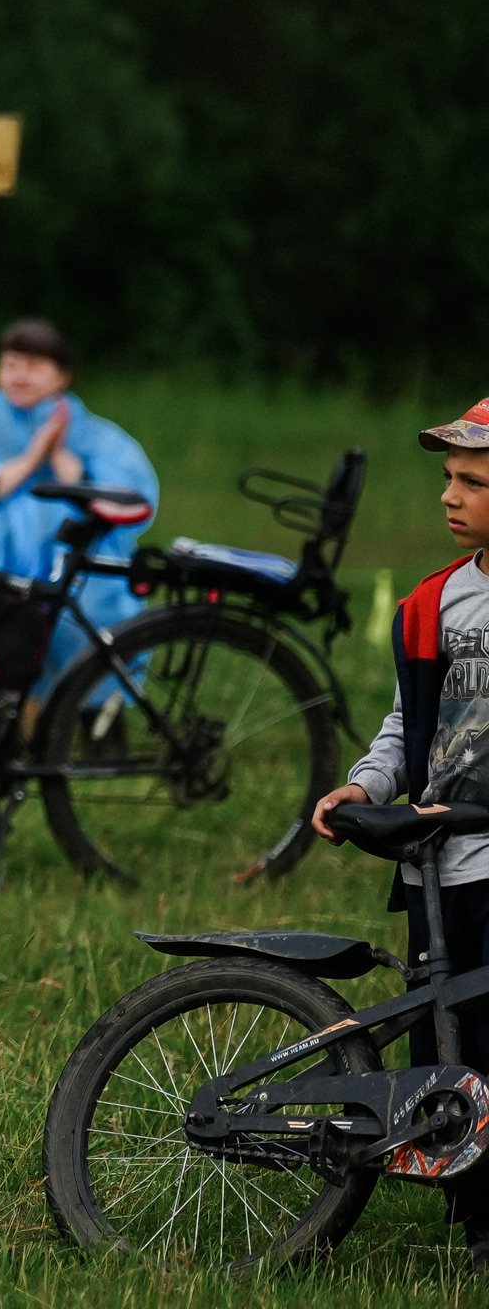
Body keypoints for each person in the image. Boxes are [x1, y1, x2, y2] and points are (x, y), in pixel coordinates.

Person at [313, 398, 489, 1270]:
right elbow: (404, 723)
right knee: (447, 1045)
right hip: (441, 864)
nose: (450, 498)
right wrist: (365, 783)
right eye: (449, 480)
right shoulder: (434, 606)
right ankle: (474, 1213)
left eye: (474, 482)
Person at [0, 318, 159, 692]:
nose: (20, 376)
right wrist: (34, 456)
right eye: (11, 365)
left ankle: (96, 719)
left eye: (34, 367)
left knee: (96, 613)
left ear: (62, 376)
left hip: (71, 561)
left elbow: (129, 497)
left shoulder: (92, 433)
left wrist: (62, 456)